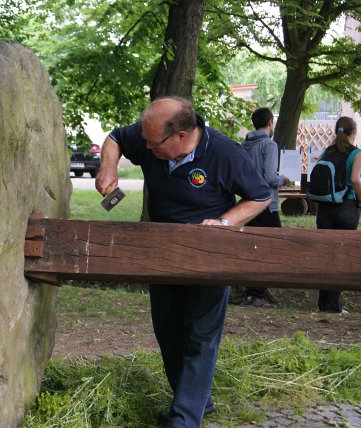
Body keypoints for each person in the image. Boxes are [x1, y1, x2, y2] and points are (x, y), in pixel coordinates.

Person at [95, 97, 272, 428]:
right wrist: (109, 165)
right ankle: (196, 401)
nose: (145, 147)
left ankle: (184, 419)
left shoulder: (225, 153)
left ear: (179, 136)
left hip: (209, 260)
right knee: (169, 334)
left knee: (200, 337)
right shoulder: (151, 137)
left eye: (152, 142)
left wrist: (223, 224)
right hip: (162, 256)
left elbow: (260, 196)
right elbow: (116, 138)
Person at [237, 107, 290, 307]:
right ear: (270, 122)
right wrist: (282, 179)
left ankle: (254, 291)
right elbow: (269, 177)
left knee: (252, 246)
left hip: (247, 203)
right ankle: (257, 294)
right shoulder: (269, 145)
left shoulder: (244, 145)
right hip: (266, 203)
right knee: (271, 246)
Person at [316, 116, 361, 314]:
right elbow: (355, 179)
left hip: (325, 208)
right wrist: (360, 199)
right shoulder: (357, 153)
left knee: (325, 255)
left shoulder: (326, 152)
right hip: (347, 206)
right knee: (340, 256)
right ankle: (334, 305)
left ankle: (323, 303)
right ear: (354, 132)